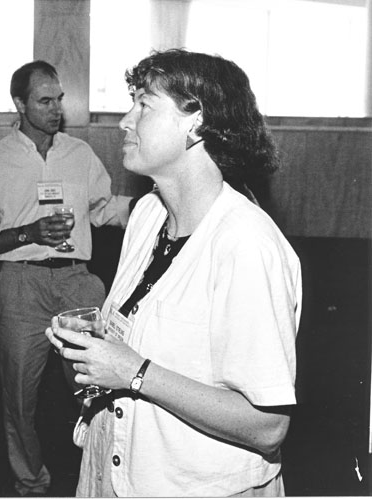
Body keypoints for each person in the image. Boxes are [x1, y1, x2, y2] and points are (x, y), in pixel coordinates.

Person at [46, 49, 302, 497]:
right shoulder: (148, 214)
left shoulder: (246, 243)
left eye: (144, 105)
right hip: (117, 472)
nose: (125, 121)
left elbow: (267, 426)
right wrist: (91, 354)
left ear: (196, 123)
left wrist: (133, 371)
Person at [0, 60, 131, 496]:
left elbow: (102, 208)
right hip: (21, 285)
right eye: (44, 101)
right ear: (19, 104)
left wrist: (155, 204)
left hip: (78, 283)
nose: (56, 109)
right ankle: (30, 484)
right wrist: (29, 233)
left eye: (59, 100)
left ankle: (104, 477)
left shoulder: (79, 154)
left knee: (99, 387)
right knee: (19, 398)